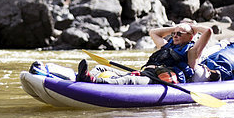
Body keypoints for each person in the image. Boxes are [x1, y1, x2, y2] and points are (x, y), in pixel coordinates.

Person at [77, 22, 217, 85]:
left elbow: (208, 32)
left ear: (190, 37)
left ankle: (94, 82)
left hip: (158, 81)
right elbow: (153, 32)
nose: (175, 35)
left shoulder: (192, 52)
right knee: (101, 68)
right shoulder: (165, 45)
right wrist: (176, 27)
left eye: (179, 33)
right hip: (146, 72)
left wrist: (192, 28)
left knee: (129, 81)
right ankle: (83, 77)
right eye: (174, 33)